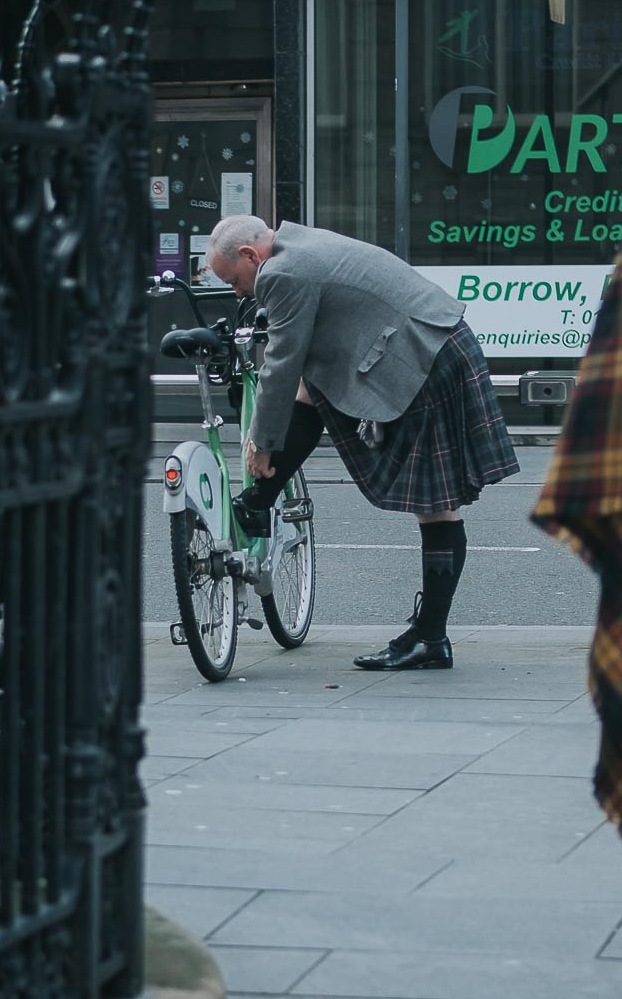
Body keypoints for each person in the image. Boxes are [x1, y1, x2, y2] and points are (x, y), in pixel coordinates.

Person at [204, 215, 518, 670]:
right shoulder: (297, 243)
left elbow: (281, 361)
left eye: (234, 280)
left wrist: (261, 441)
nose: (237, 293)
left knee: (436, 503)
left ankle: (430, 638)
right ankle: (260, 501)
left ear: (251, 256)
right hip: (434, 343)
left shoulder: (283, 271)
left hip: (424, 358)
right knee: (313, 394)